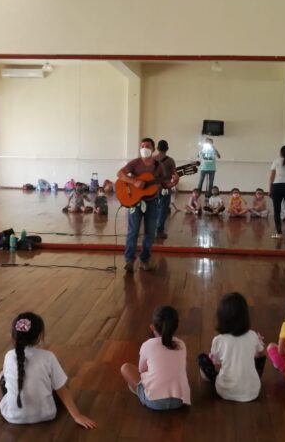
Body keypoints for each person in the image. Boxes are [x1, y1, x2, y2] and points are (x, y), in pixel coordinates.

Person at [0, 312, 96, 428]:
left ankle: (3, 403)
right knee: (61, 383)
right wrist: (77, 416)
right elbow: (62, 390)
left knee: (1, 376)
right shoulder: (48, 356)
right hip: (47, 414)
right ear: (40, 336)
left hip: (12, 417)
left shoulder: (9, 356)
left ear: (13, 335)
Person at [197, 293, 265, 402]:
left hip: (225, 391)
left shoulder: (218, 340)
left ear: (221, 318)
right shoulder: (252, 335)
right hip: (253, 391)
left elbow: (217, 366)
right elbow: (260, 353)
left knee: (202, 358)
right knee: (259, 358)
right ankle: (249, 378)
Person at [120, 306, 190, 411]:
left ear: (152, 327)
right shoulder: (181, 344)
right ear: (175, 327)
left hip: (154, 402)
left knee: (125, 368)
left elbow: (141, 370)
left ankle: (140, 392)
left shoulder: (147, 345)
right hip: (180, 401)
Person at [117, 137, 168, 273]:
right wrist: (133, 182)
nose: (144, 148)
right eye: (142, 146)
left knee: (150, 232)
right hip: (135, 202)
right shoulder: (135, 163)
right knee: (133, 231)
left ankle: (144, 260)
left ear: (153, 149)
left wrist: (173, 182)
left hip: (152, 202)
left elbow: (165, 183)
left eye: (147, 146)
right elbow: (120, 174)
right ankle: (129, 260)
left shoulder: (159, 166)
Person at [155, 139, 180, 239]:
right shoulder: (170, 161)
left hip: (152, 187)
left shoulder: (152, 159)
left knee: (153, 207)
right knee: (163, 208)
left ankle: (150, 229)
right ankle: (160, 230)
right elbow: (175, 174)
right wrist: (174, 183)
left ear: (157, 148)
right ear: (167, 149)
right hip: (165, 186)